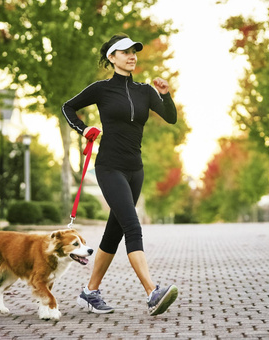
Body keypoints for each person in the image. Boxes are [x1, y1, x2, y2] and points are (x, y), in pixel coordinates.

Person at [62, 33, 178, 316]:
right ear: (112, 58)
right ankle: (152, 292)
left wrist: (166, 94)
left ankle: (90, 292)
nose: (132, 56)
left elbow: (171, 117)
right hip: (109, 167)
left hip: (135, 170)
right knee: (132, 227)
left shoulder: (145, 91)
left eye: (134, 51)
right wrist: (83, 128)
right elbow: (68, 107)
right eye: (125, 52)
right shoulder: (101, 89)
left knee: (114, 233)